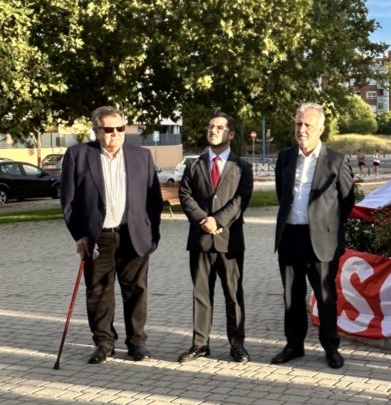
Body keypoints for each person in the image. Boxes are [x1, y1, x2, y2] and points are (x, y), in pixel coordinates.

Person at [60, 106, 163, 363]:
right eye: (108, 129)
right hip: (98, 237)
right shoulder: (78, 155)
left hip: (133, 234)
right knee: (98, 291)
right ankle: (104, 342)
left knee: (136, 290)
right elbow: (69, 201)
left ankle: (137, 342)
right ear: (97, 131)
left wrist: (152, 235)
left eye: (120, 128)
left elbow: (154, 199)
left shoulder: (141, 156)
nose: (115, 134)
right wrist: (79, 235)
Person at [273, 103, 356, 369]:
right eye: (298, 124)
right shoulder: (285, 158)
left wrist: (325, 224)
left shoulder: (336, 160)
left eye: (307, 125)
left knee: (325, 296)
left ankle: (330, 347)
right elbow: (281, 193)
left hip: (321, 240)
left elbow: (347, 201)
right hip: (290, 236)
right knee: (292, 295)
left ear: (320, 129)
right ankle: (293, 345)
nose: (302, 129)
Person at [177, 112, 254, 363]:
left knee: (233, 294)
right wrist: (203, 220)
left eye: (219, 127)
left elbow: (241, 200)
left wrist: (218, 220)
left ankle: (237, 345)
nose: (212, 130)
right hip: (200, 239)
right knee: (201, 294)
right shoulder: (193, 164)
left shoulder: (242, 167)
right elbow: (185, 195)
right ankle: (200, 344)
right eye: (210, 126)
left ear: (230, 134)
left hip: (229, 240)